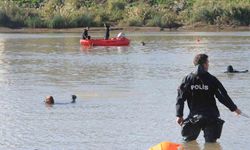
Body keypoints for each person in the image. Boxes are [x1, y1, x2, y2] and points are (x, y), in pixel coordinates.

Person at [176, 54, 241, 143]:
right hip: (211, 117)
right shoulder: (212, 79)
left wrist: (179, 115)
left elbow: (180, 98)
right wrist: (234, 108)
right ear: (205, 64)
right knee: (211, 145)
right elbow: (222, 96)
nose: (208, 65)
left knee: (188, 144)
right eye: (208, 63)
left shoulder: (187, 79)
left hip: (194, 118)